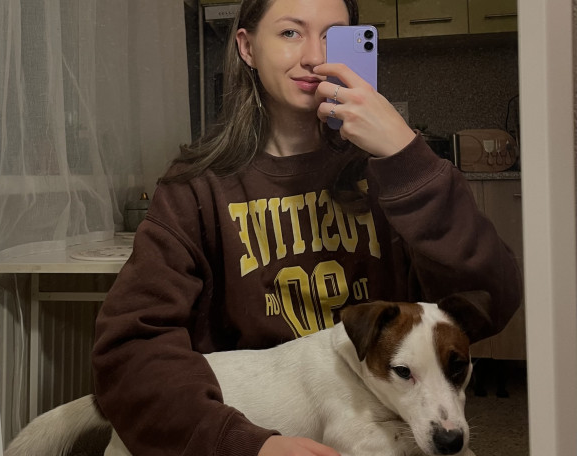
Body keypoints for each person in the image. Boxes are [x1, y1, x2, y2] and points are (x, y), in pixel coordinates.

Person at [92, 0, 522, 455]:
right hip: (251, 426)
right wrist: (246, 445)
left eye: (333, 37)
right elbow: (129, 355)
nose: (315, 57)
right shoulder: (196, 188)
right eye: (290, 33)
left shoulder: (394, 169)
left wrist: (406, 159)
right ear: (247, 47)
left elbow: (490, 302)